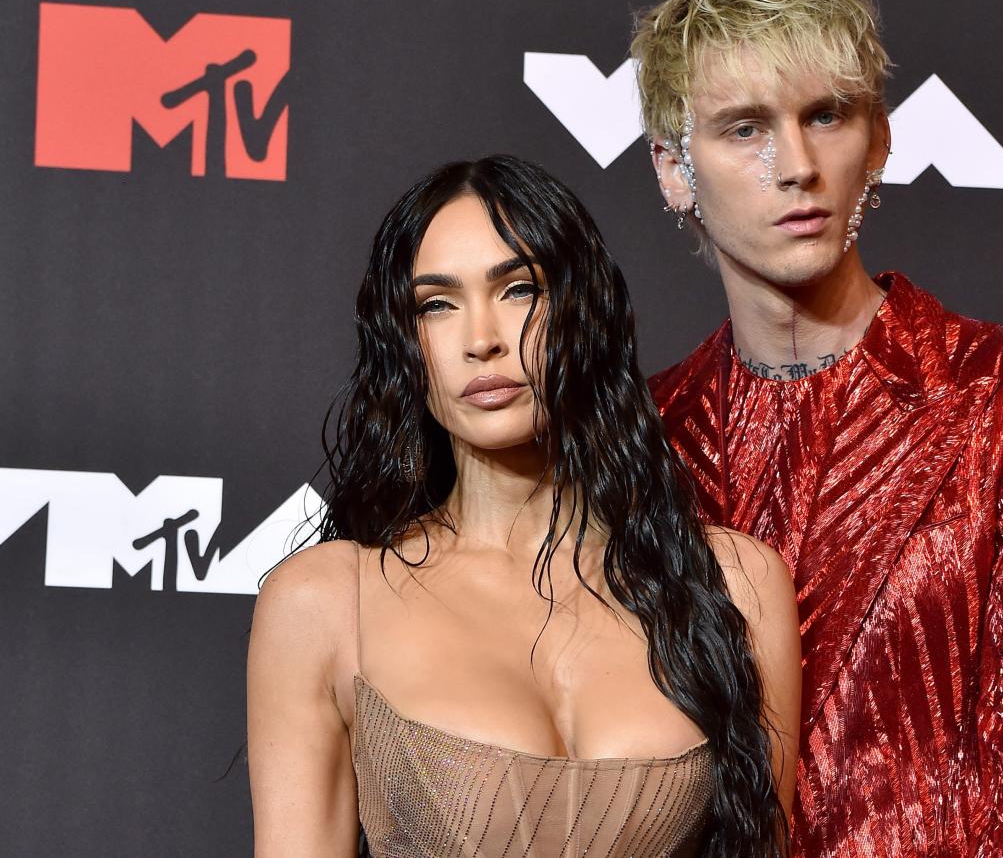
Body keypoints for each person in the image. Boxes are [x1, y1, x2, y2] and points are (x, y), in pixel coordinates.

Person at [632, 0, 1003, 857]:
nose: (795, 164)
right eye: (744, 127)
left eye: (825, 115)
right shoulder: (636, 438)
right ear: (672, 168)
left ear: (880, 140)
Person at [246, 155, 801, 857]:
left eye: (518, 291)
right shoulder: (327, 602)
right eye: (436, 304)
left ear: (583, 315)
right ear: (405, 345)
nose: (482, 339)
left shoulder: (736, 584)